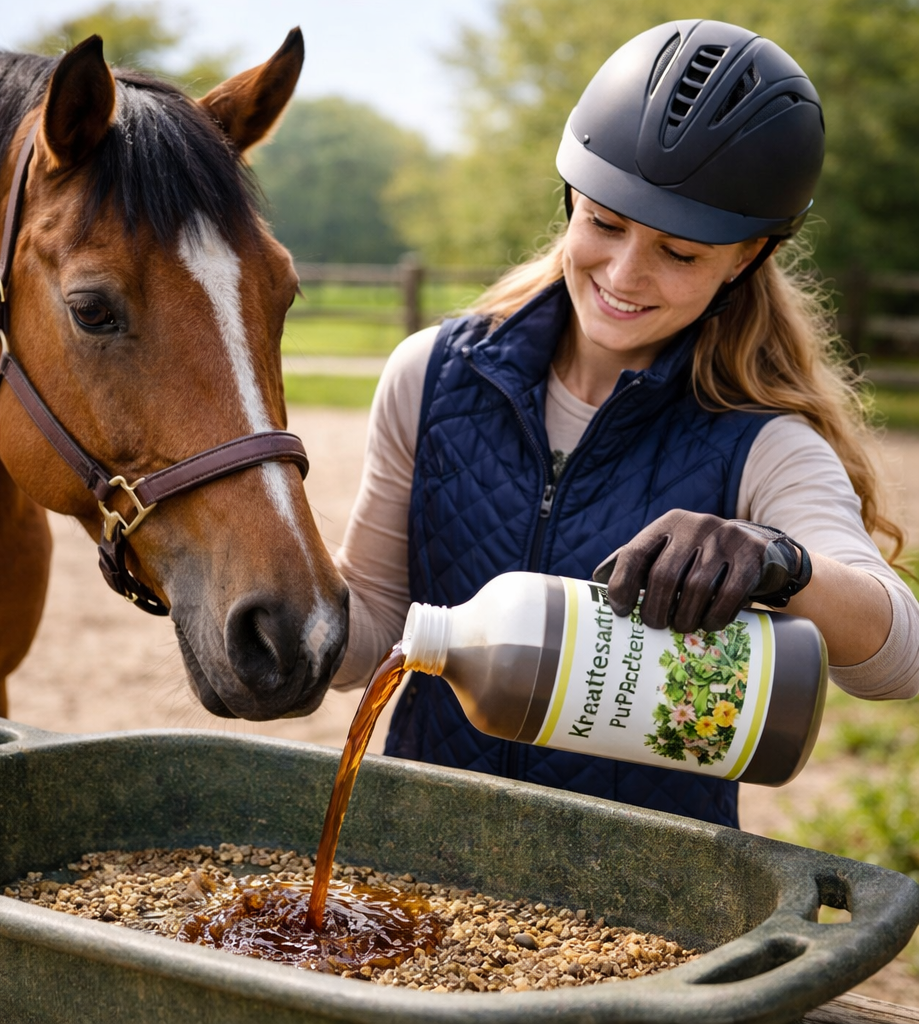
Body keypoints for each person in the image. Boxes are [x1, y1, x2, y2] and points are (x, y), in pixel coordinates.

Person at [330, 19, 919, 828]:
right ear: (571, 197)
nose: (623, 275)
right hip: (422, 856)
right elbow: (371, 630)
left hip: (645, 903)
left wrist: (783, 565)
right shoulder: (429, 377)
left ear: (746, 257)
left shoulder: (764, 443)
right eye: (604, 224)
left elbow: (899, 659)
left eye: (679, 254)